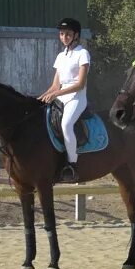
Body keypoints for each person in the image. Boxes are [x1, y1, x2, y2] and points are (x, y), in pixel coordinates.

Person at [38, 18, 90, 184]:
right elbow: (54, 85)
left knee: (66, 124)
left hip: (77, 97)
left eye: (67, 34)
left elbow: (80, 84)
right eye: (61, 34)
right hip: (60, 94)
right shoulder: (61, 56)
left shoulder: (83, 54)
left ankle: (72, 165)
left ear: (76, 35)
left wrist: (57, 93)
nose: (64, 37)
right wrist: (40, 98)